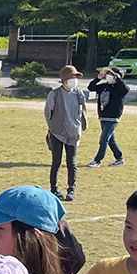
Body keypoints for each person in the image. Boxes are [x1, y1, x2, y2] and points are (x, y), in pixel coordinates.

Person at [45, 65, 87, 202]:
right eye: (71, 78)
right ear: (63, 80)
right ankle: (54, 189)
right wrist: (52, 128)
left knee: (72, 162)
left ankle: (71, 190)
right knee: (56, 162)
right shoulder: (54, 94)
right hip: (57, 133)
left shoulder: (79, 94)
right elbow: (48, 113)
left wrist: (81, 127)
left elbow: (83, 112)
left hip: (73, 133)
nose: (74, 80)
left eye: (75, 77)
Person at [85, 66, 129, 168]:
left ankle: (97, 160)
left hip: (113, 118)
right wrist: (98, 78)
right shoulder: (104, 86)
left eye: (111, 74)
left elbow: (125, 90)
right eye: (108, 74)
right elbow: (91, 87)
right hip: (103, 117)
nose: (108, 76)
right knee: (110, 140)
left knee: (104, 139)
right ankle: (119, 158)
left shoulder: (120, 88)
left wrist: (118, 80)